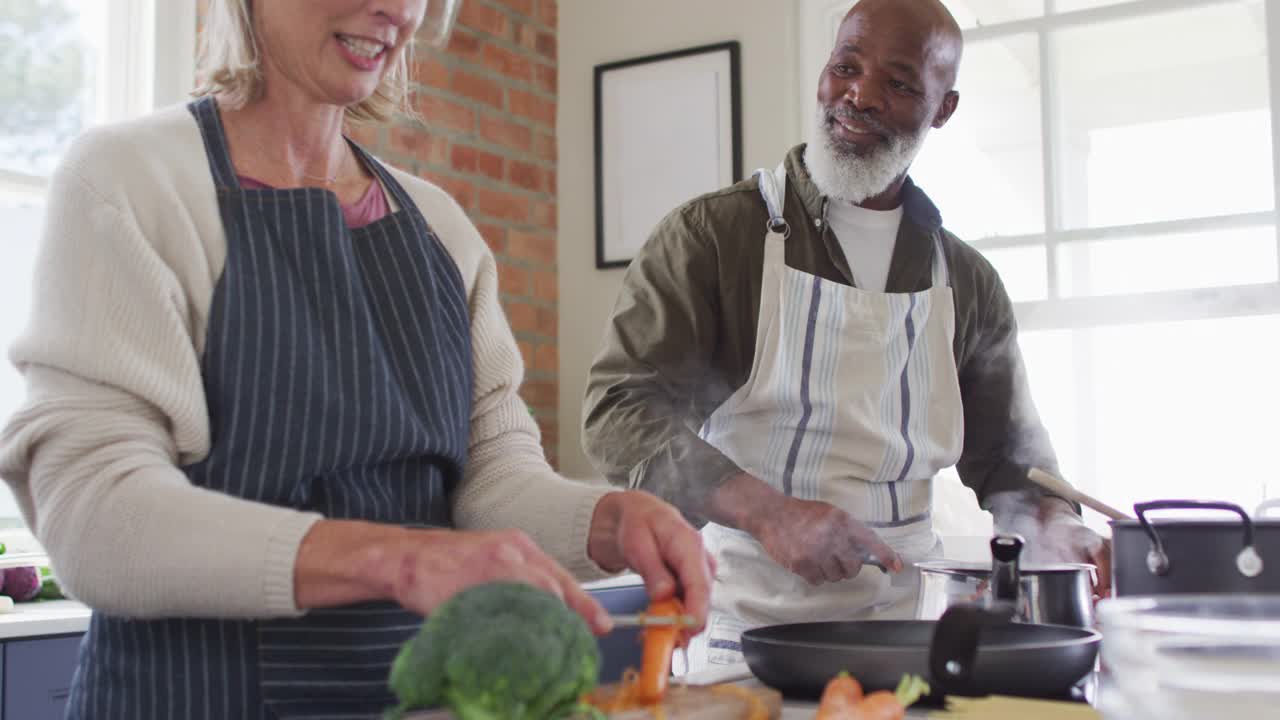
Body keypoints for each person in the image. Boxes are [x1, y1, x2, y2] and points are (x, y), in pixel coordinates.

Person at [0, 1, 711, 716]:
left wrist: (612, 519)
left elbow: (493, 480)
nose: (397, 9)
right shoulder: (131, 180)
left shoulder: (440, 231)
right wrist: (398, 559)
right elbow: (96, 514)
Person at [582, 0, 1110, 670]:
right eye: (847, 67)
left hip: (908, 639)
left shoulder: (967, 283)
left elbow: (1011, 465)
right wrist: (771, 513)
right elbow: (618, 412)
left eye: (899, 83)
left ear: (943, 108)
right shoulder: (716, 238)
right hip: (735, 634)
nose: (859, 96)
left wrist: (1060, 527)